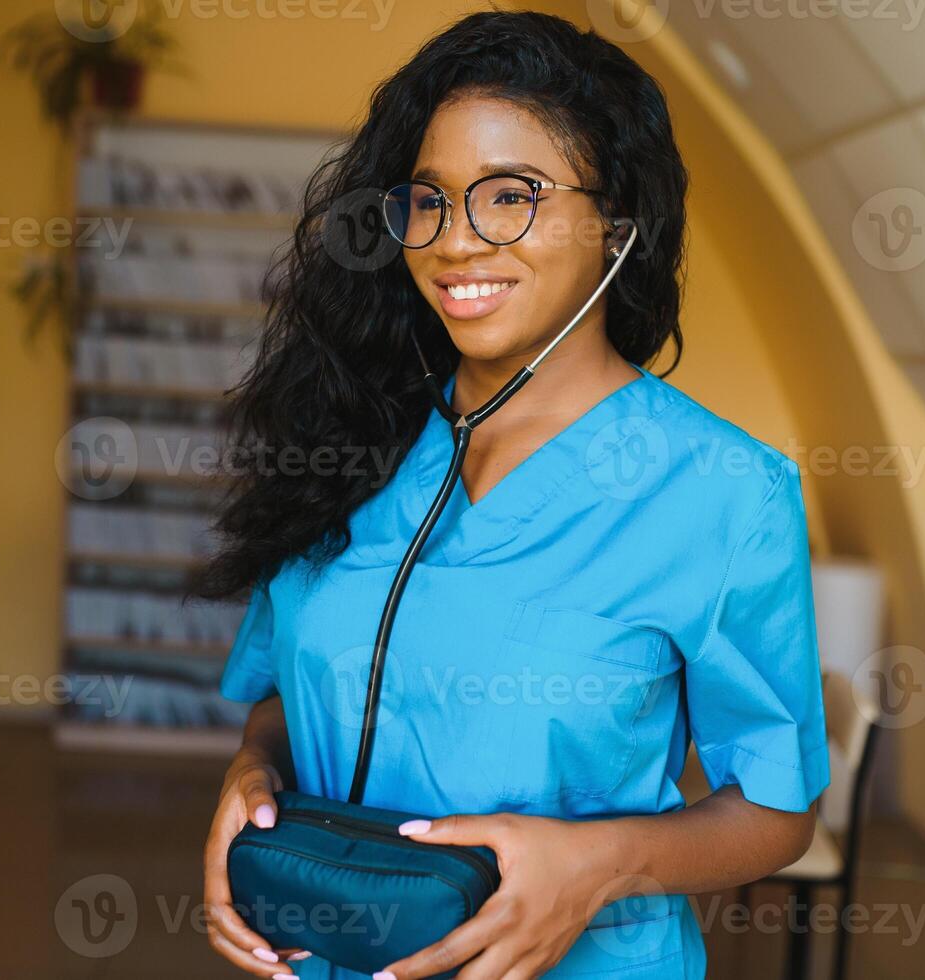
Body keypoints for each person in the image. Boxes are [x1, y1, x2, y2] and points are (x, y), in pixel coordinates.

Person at [197, 11, 829, 978]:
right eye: (431, 201)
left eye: (511, 196)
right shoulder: (343, 436)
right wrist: (252, 778)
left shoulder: (722, 494)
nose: (456, 242)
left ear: (616, 223)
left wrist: (595, 866)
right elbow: (283, 693)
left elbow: (777, 810)